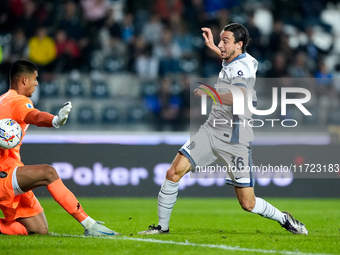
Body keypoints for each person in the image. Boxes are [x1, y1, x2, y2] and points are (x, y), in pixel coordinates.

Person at [138, 23, 308, 235]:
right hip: (211, 131)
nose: (221, 45)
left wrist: (210, 91)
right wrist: (212, 45)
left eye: (224, 41)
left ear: (239, 44)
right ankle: (162, 228)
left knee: (248, 203)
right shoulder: (236, 58)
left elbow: (239, 96)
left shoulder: (242, 68)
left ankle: (284, 218)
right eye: (220, 40)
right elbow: (228, 57)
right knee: (173, 172)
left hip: (235, 138)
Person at [0, 60, 120, 236]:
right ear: (24, 80)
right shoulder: (18, 101)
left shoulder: (3, 100)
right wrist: (54, 120)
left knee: (38, 229)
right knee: (48, 173)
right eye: (35, 78)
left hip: (11, 170)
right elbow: (35, 116)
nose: (37, 83)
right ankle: (90, 225)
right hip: (4, 173)